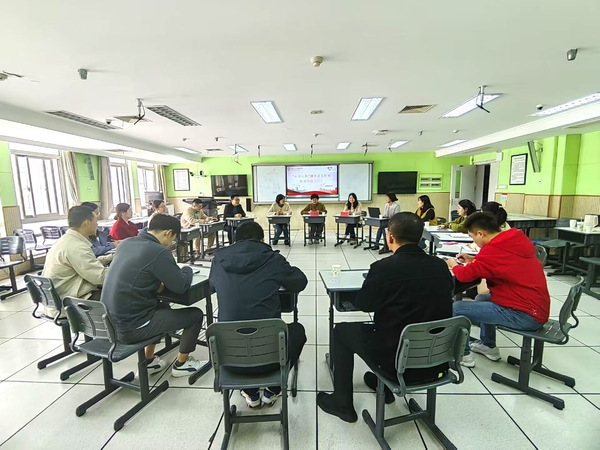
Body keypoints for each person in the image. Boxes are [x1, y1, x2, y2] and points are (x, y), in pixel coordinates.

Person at [317, 212, 453, 423]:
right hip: (437, 361)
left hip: (395, 361)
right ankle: (383, 385)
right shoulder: (440, 266)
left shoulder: (383, 268)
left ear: (390, 237)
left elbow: (364, 304)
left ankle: (342, 402)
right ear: (420, 237)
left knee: (341, 331)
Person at [209, 221, 308, 408]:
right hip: (272, 359)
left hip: (230, 360)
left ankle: (251, 392)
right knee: (298, 330)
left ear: (235, 241)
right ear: (262, 240)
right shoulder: (272, 259)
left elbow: (212, 286)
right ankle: (273, 389)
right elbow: (300, 282)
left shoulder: (218, 260)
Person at [101, 214, 205, 377]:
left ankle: (149, 361)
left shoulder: (126, 243)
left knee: (162, 306)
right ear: (168, 233)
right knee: (195, 315)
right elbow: (180, 286)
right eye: (174, 239)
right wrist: (187, 269)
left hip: (110, 323)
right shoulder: (159, 251)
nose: (172, 243)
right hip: (131, 328)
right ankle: (182, 364)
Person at [446, 212, 550, 368]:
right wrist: (474, 260)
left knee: (457, 308)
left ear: (481, 233)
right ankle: (489, 345)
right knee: (482, 298)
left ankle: (463, 355)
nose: (474, 241)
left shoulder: (492, 251)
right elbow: (502, 262)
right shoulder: (513, 238)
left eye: (472, 237)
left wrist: (453, 264)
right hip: (535, 307)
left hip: (525, 315)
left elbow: (464, 276)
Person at [42, 206, 110, 315]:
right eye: (96, 221)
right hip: (69, 304)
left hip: (60, 299)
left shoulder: (66, 240)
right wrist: (121, 271)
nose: (97, 224)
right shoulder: (76, 246)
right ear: (86, 223)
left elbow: (88, 263)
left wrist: (110, 257)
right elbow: (100, 277)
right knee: (122, 295)